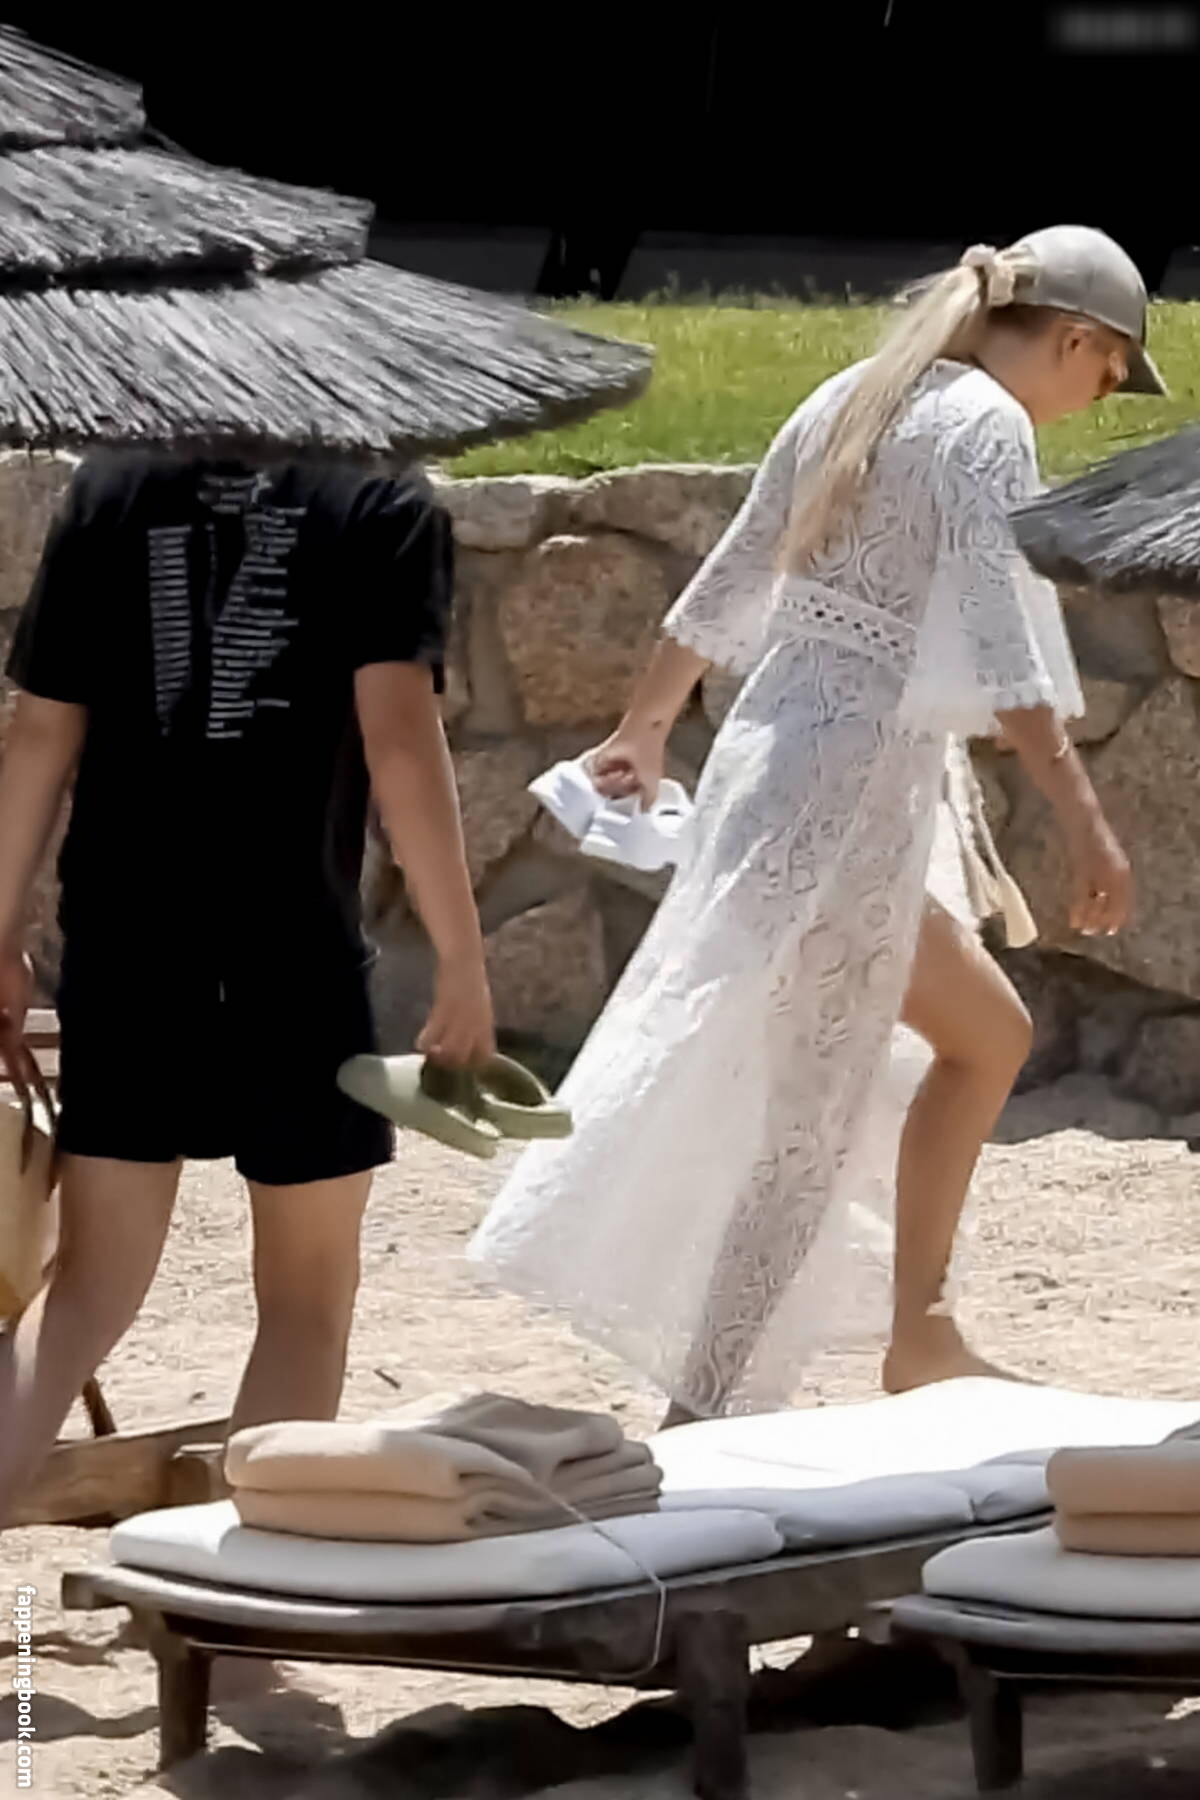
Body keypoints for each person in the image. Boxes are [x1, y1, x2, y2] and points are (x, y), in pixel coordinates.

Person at [472, 225, 1157, 1426]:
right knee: (809, 1113)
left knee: (977, 1040)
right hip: (848, 795)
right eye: (1105, 377)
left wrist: (643, 727)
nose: (1092, 403)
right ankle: (710, 1405)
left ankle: (916, 1335)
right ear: (1072, 339)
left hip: (779, 768)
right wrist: (1087, 824)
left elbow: (732, 574)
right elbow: (1004, 652)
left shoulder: (856, 392)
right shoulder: (985, 427)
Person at [0, 453, 494, 1521]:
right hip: (293, 945)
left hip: (127, 940)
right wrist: (461, 956)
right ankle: (250, 1593)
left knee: (85, 1291)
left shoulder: (114, 484)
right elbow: (399, 738)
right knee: (305, 1302)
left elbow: (41, 728)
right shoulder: (378, 495)